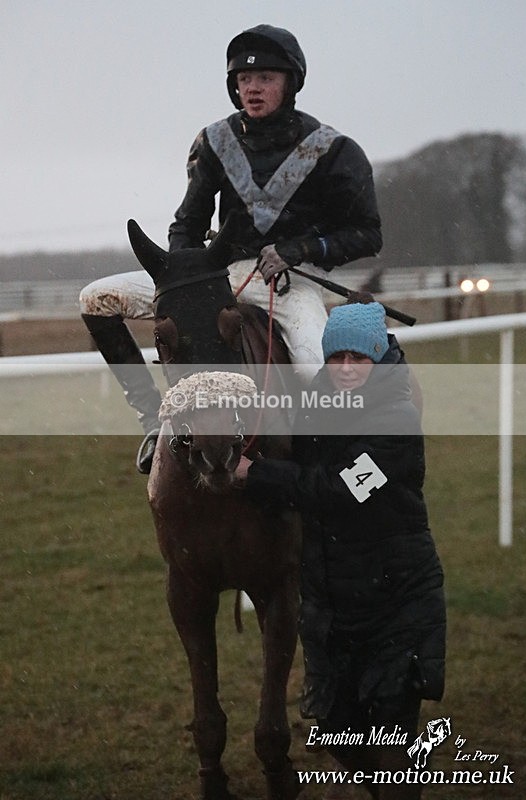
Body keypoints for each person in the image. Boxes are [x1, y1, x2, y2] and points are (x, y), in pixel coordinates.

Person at [79, 24, 382, 473]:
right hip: (214, 277)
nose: (253, 88)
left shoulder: (334, 150)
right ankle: (151, 421)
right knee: (95, 301)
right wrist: (180, 273)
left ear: (291, 83)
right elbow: (188, 224)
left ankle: (330, 464)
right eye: (244, 80)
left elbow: (366, 234)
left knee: (313, 363)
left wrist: (298, 249)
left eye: (266, 79)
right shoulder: (215, 141)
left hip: (288, 283)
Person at [236, 301, 446, 800]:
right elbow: (291, 456)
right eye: (337, 357)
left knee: (392, 741)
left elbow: (344, 488)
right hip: (332, 608)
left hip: (398, 604)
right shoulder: (316, 404)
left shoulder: (397, 418)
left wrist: (258, 477)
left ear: (379, 357)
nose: (347, 368)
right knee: (337, 730)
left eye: (359, 357)